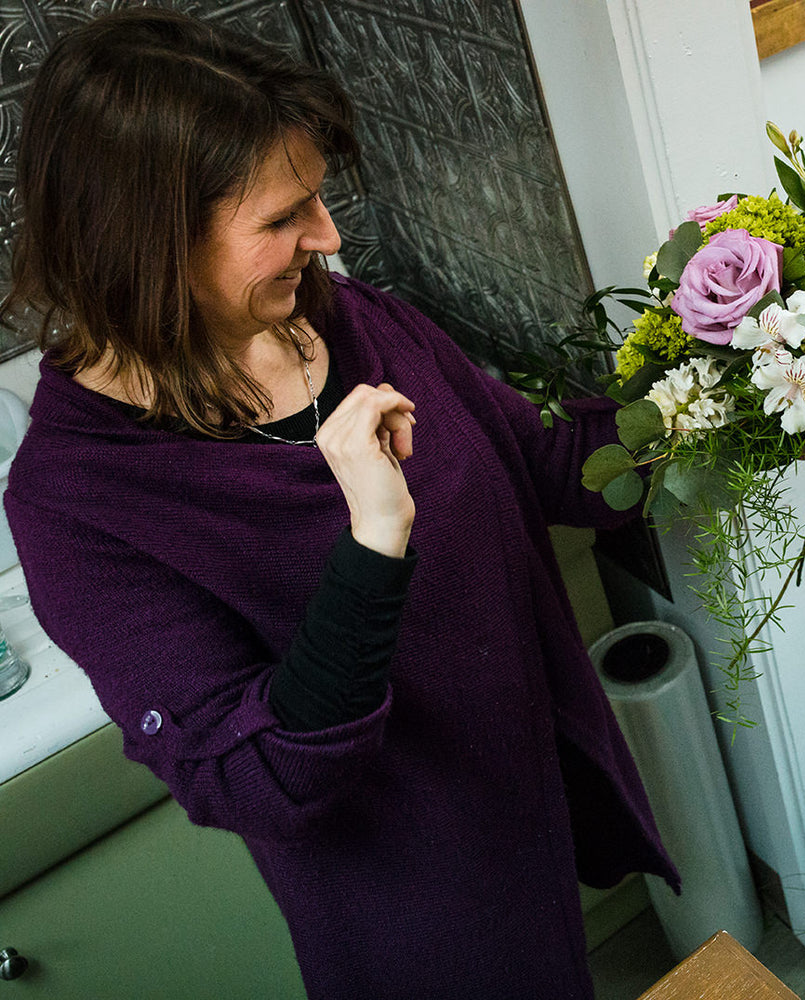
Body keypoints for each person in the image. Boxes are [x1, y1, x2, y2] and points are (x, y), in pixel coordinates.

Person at [1, 9, 680, 998]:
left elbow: (545, 460)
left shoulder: (342, 315)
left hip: (525, 800)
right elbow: (261, 775)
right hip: (413, 910)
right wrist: (373, 541)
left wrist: (739, 385)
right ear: (140, 247)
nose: (326, 235)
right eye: (281, 220)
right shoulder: (79, 503)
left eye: (314, 199)